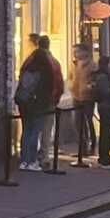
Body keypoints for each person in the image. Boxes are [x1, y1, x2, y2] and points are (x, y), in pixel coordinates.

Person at [15, 32, 56, 172]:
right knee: (34, 131)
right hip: (37, 104)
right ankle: (32, 161)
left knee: (26, 131)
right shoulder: (45, 68)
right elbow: (49, 87)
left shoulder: (27, 64)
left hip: (24, 102)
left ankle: (24, 160)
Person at [38, 35, 65, 167]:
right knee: (46, 129)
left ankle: (29, 157)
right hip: (49, 100)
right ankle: (43, 156)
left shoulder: (32, 59)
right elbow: (59, 83)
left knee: (32, 128)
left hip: (34, 100)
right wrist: (56, 99)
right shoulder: (54, 62)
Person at [70, 43, 97, 158]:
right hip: (76, 96)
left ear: (84, 52)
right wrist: (71, 87)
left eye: (77, 51)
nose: (75, 54)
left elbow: (96, 80)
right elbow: (71, 77)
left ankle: (92, 147)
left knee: (88, 122)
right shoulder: (74, 65)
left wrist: (89, 86)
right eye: (74, 52)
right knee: (77, 123)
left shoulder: (92, 65)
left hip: (87, 97)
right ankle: (82, 148)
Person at [93, 54, 110, 166]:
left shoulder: (103, 76)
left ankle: (105, 155)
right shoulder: (103, 77)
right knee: (107, 131)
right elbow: (105, 92)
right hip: (106, 106)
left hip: (105, 106)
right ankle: (104, 157)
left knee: (107, 131)